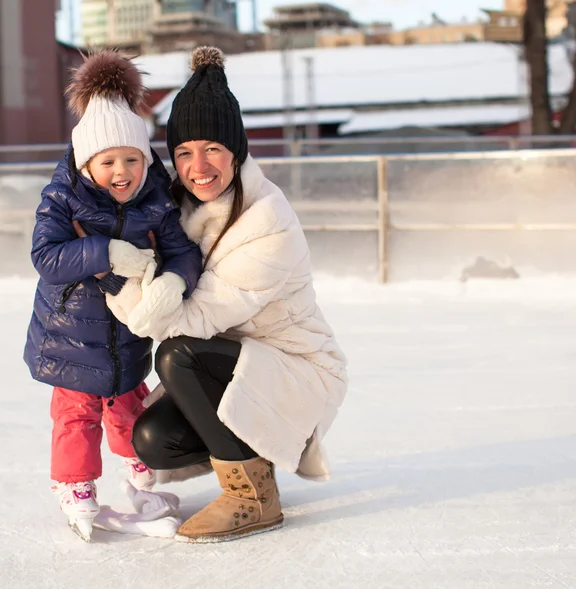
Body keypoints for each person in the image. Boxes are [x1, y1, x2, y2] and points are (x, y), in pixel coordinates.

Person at [106, 46, 348, 543]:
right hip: (228, 362)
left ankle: (252, 497)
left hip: (294, 363)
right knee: (153, 440)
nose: (199, 166)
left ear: (236, 151)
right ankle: (248, 455)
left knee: (177, 354)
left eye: (213, 148)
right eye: (184, 152)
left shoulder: (267, 219)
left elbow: (199, 317)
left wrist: (128, 291)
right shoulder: (177, 208)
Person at [23, 50, 202, 540]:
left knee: (128, 404)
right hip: (69, 335)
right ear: (87, 164)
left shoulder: (156, 199)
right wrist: (106, 253)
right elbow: (47, 257)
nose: (121, 171)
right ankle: (75, 486)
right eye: (108, 161)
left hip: (127, 331)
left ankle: (140, 474)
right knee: (77, 411)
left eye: (132, 159)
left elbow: (182, 250)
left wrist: (175, 279)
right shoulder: (63, 197)